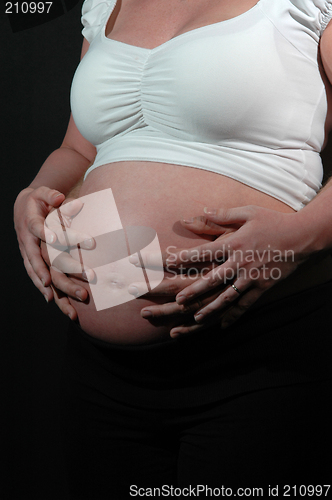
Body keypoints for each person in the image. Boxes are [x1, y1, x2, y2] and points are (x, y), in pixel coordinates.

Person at [14, 0, 332, 497]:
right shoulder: (104, 5)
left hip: (258, 356)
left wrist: (300, 236)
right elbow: (79, 150)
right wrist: (34, 191)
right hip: (100, 375)